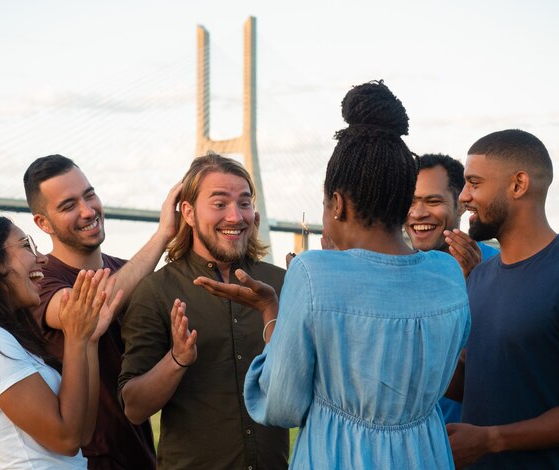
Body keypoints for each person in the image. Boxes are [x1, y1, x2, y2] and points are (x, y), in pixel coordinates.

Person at [195, 81, 471, 469]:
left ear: (337, 205)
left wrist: (271, 312)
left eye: (326, 205)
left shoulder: (313, 273)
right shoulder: (447, 274)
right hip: (426, 453)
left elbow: (281, 404)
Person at [118, 153, 289, 469]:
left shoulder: (283, 283)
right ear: (188, 212)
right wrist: (177, 359)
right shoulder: (155, 291)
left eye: (245, 203)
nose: (236, 216)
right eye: (220, 204)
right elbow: (134, 407)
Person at [23, 155, 180, 469]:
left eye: (89, 194)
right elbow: (89, 313)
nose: (88, 210)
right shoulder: (39, 283)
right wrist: (163, 235)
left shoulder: (129, 271)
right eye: (68, 206)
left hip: (143, 455)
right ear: (43, 223)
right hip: (86, 459)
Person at [0, 216, 120, 469]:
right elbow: (66, 439)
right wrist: (75, 338)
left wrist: (88, 340)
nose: (41, 258)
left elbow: (84, 433)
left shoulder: (0, 339)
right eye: (26, 245)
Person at [446, 129, 559, 469]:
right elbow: (474, 378)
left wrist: (492, 439)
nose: (464, 197)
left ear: (518, 185)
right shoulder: (478, 277)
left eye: (474, 183)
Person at [404, 153, 499, 424]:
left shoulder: (495, 266)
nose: (418, 212)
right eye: (409, 201)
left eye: (433, 201)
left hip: (471, 445)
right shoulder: (391, 273)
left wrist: (473, 284)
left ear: (461, 205)